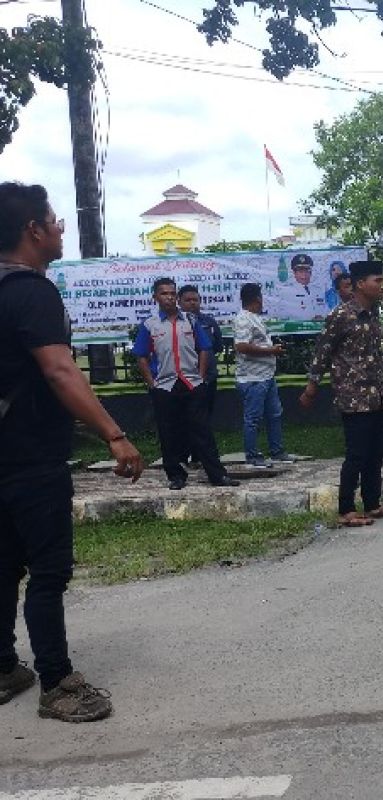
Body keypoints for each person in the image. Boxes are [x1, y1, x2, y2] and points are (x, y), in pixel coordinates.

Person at [0, 182, 144, 722]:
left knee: (3, 565)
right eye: (54, 220)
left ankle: (2, 668)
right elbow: (60, 370)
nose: (60, 228)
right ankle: (57, 682)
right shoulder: (32, 292)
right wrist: (114, 432)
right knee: (48, 569)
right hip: (31, 455)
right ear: (33, 230)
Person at [301, 260, 383, 527]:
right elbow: (322, 352)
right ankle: (346, 508)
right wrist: (312, 386)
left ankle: (372, 504)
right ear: (361, 284)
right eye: (377, 281)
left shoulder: (372, 315)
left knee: (375, 454)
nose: (382, 286)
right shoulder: (341, 315)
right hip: (353, 397)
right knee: (357, 454)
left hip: (376, 396)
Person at [132, 278, 239, 490]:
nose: (169, 297)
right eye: (164, 293)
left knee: (202, 430)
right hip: (164, 385)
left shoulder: (190, 321)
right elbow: (141, 356)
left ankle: (217, 475)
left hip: (191, 383)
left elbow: (204, 348)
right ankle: (176, 476)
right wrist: (151, 383)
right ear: (155, 297)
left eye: (172, 293)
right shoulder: (149, 325)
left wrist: (199, 375)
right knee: (168, 432)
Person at [233, 283, 294, 469]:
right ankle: (252, 456)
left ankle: (277, 451)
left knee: (275, 414)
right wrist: (271, 350)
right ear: (258, 298)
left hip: (266, 375)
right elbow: (241, 347)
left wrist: (272, 351)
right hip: (252, 379)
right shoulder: (243, 319)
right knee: (253, 419)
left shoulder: (255, 318)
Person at [177, 285, 223, 467]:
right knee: (184, 419)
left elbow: (217, 346)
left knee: (205, 418)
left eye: (195, 299)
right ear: (179, 302)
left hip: (208, 379)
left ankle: (200, 456)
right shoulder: (176, 324)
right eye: (187, 300)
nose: (192, 303)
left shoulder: (208, 322)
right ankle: (183, 455)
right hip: (185, 380)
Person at [288, 253, 323, 319]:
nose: (304, 275)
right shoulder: (287, 291)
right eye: (300, 272)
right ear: (294, 273)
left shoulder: (318, 290)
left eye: (307, 271)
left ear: (311, 272)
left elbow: (325, 310)